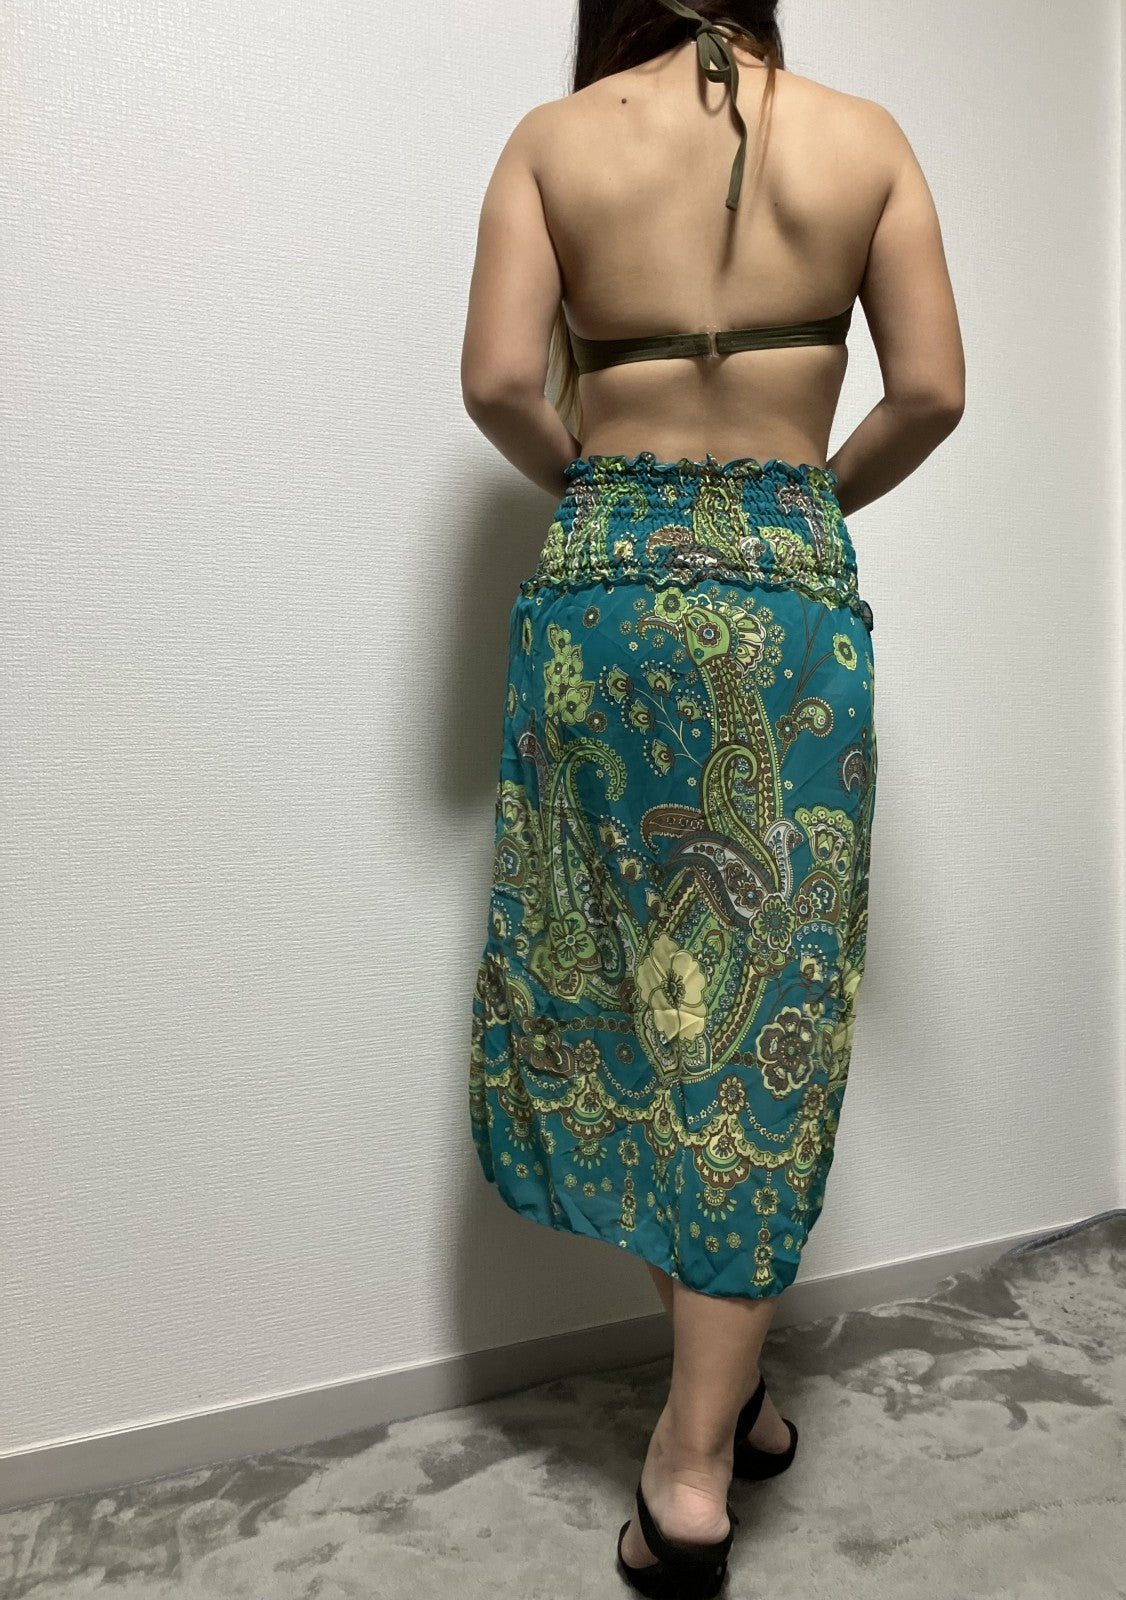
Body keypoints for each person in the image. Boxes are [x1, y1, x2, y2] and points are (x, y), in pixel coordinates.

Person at [461, 1, 964, 1593]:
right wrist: (795, 504)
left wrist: (606, 495)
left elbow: (498, 380)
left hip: (600, 598)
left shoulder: (553, 142)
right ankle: (712, 1427)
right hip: (783, 596)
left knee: (631, 999)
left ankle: (691, 1456)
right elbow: (930, 392)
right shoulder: (864, 139)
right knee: (758, 1024)